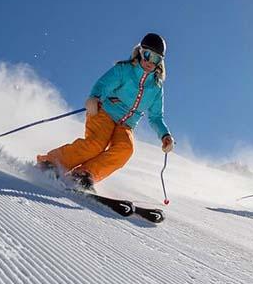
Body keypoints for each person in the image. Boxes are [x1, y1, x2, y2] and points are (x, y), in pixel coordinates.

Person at [37, 33, 175, 190]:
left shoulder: (156, 87)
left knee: (125, 149)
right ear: (140, 51)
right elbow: (103, 85)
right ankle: (50, 163)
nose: (150, 61)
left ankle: (83, 174)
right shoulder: (125, 70)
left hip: (125, 126)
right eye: (147, 54)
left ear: (160, 62)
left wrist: (165, 135)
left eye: (156, 59)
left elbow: (156, 116)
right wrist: (94, 98)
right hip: (104, 112)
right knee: (96, 144)